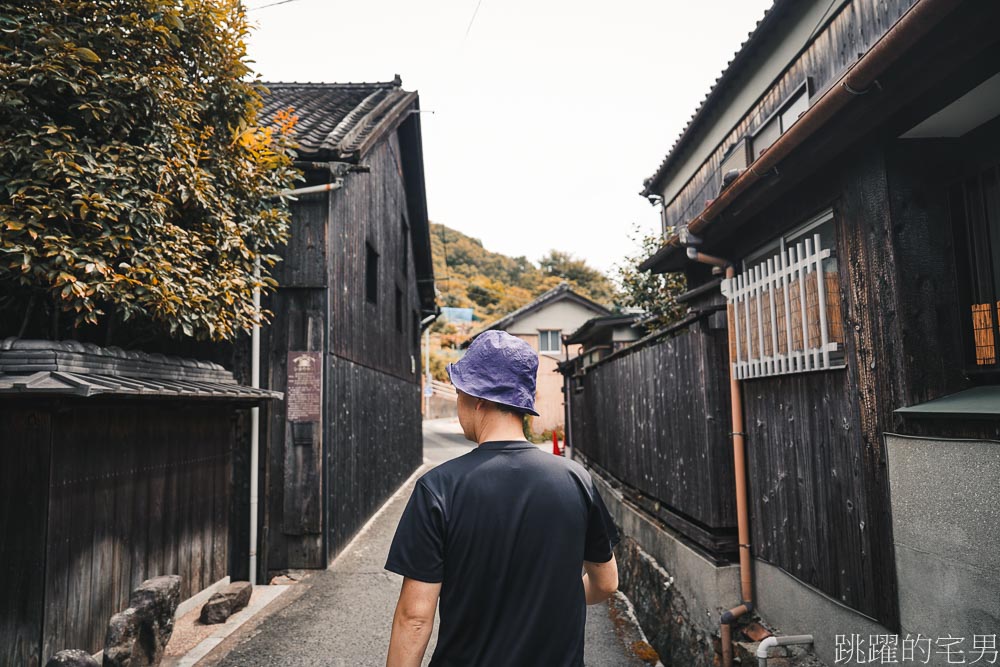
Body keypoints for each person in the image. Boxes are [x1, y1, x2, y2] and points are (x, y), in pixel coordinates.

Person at [384, 330, 621, 667]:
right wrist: (546, 603)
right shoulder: (575, 480)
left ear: (478, 398)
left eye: (459, 393)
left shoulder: (438, 488)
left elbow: (415, 618)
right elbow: (607, 583)